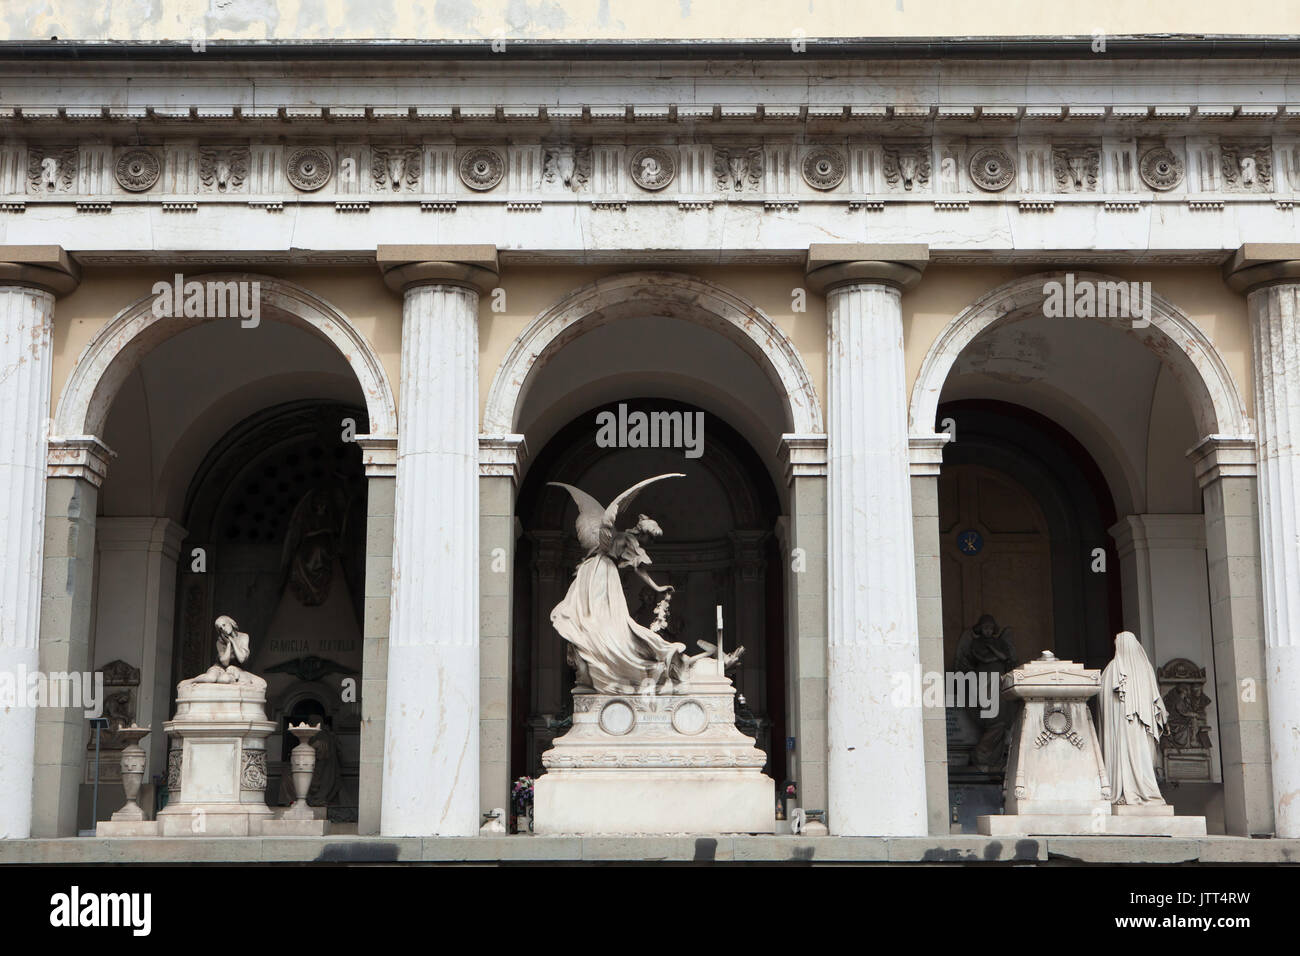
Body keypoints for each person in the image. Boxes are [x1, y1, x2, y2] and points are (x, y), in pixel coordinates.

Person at [548, 475, 693, 696]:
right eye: (651, 539)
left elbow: (634, 565)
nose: (650, 544)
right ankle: (609, 656)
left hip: (594, 570)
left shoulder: (622, 539)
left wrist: (657, 588)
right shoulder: (626, 539)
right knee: (604, 620)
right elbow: (636, 566)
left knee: (604, 620)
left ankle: (604, 658)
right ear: (644, 534)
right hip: (601, 572)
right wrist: (657, 587)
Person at [1099, 631, 1169, 806]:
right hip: (1141, 728)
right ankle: (1145, 791)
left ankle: (1125, 790)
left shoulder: (1113, 669)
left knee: (1127, 758)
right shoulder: (1146, 669)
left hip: (1122, 728)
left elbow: (1102, 703)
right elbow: (1157, 703)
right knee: (1143, 759)